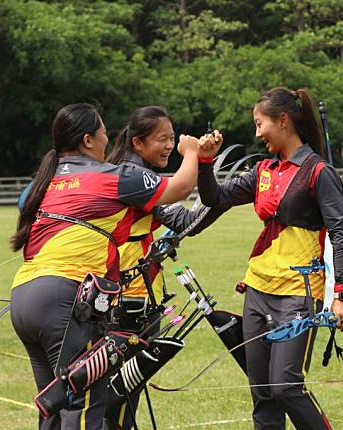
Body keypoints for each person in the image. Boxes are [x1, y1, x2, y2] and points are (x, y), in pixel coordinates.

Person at [10, 103, 200, 430]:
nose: (107, 141)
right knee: (83, 405)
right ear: (87, 140)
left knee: (54, 403)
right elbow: (180, 189)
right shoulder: (112, 176)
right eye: (103, 134)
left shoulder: (46, 179)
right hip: (64, 299)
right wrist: (193, 151)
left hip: (23, 298)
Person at [196, 87, 343, 430]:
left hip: (298, 292)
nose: (256, 133)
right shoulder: (262, 170)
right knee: (264, 395)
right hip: (257, 290)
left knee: (285, 387)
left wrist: (342, 295)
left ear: (283, 121)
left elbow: (340, 235)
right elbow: (214, 197)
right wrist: (205, 161)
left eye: (259, 123)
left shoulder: (318, 171)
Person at [104, 106, 225, 429]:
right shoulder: (134, 178)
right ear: (137, 143)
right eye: (163, 139)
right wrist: (201, 166)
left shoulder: (128, 173)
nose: (170, 145)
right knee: (120, 389)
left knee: (120, 389)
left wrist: (211, 177)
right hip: (127, 298)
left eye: (173, 139)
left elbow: (184, 221)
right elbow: (188, 220)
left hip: (132, 293)